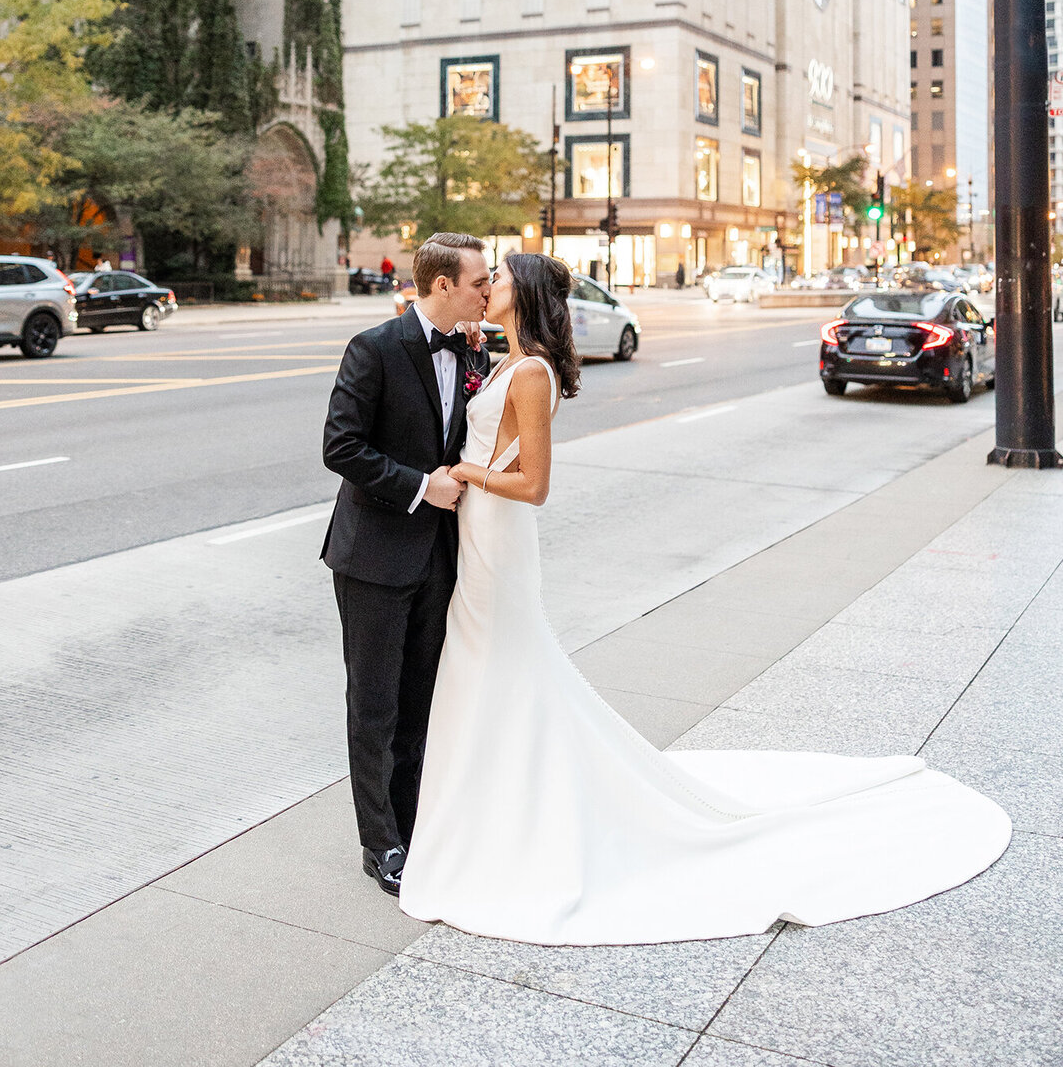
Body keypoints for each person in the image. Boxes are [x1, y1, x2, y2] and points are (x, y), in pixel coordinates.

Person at [397, 251, 1011, 943]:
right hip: (479, 534)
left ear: (525, 294)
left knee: (505, 664)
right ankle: (491, 807)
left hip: (501, 537)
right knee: (490, 669)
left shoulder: (532, 372)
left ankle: (517, 814)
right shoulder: (506, 360)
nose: (489, 288)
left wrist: (464, 472)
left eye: (499, 279)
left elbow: (534, 485)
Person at [321, 232, 491, 897]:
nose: (487, 289)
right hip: (373, 556)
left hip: (437, 560)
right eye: (480, 280)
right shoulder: (375, 349)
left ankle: (414, 825)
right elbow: (342, 447)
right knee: (374, 706)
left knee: (420, 701)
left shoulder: (473, 349)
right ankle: (379, 844)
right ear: (444, 285)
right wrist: (424, 487)